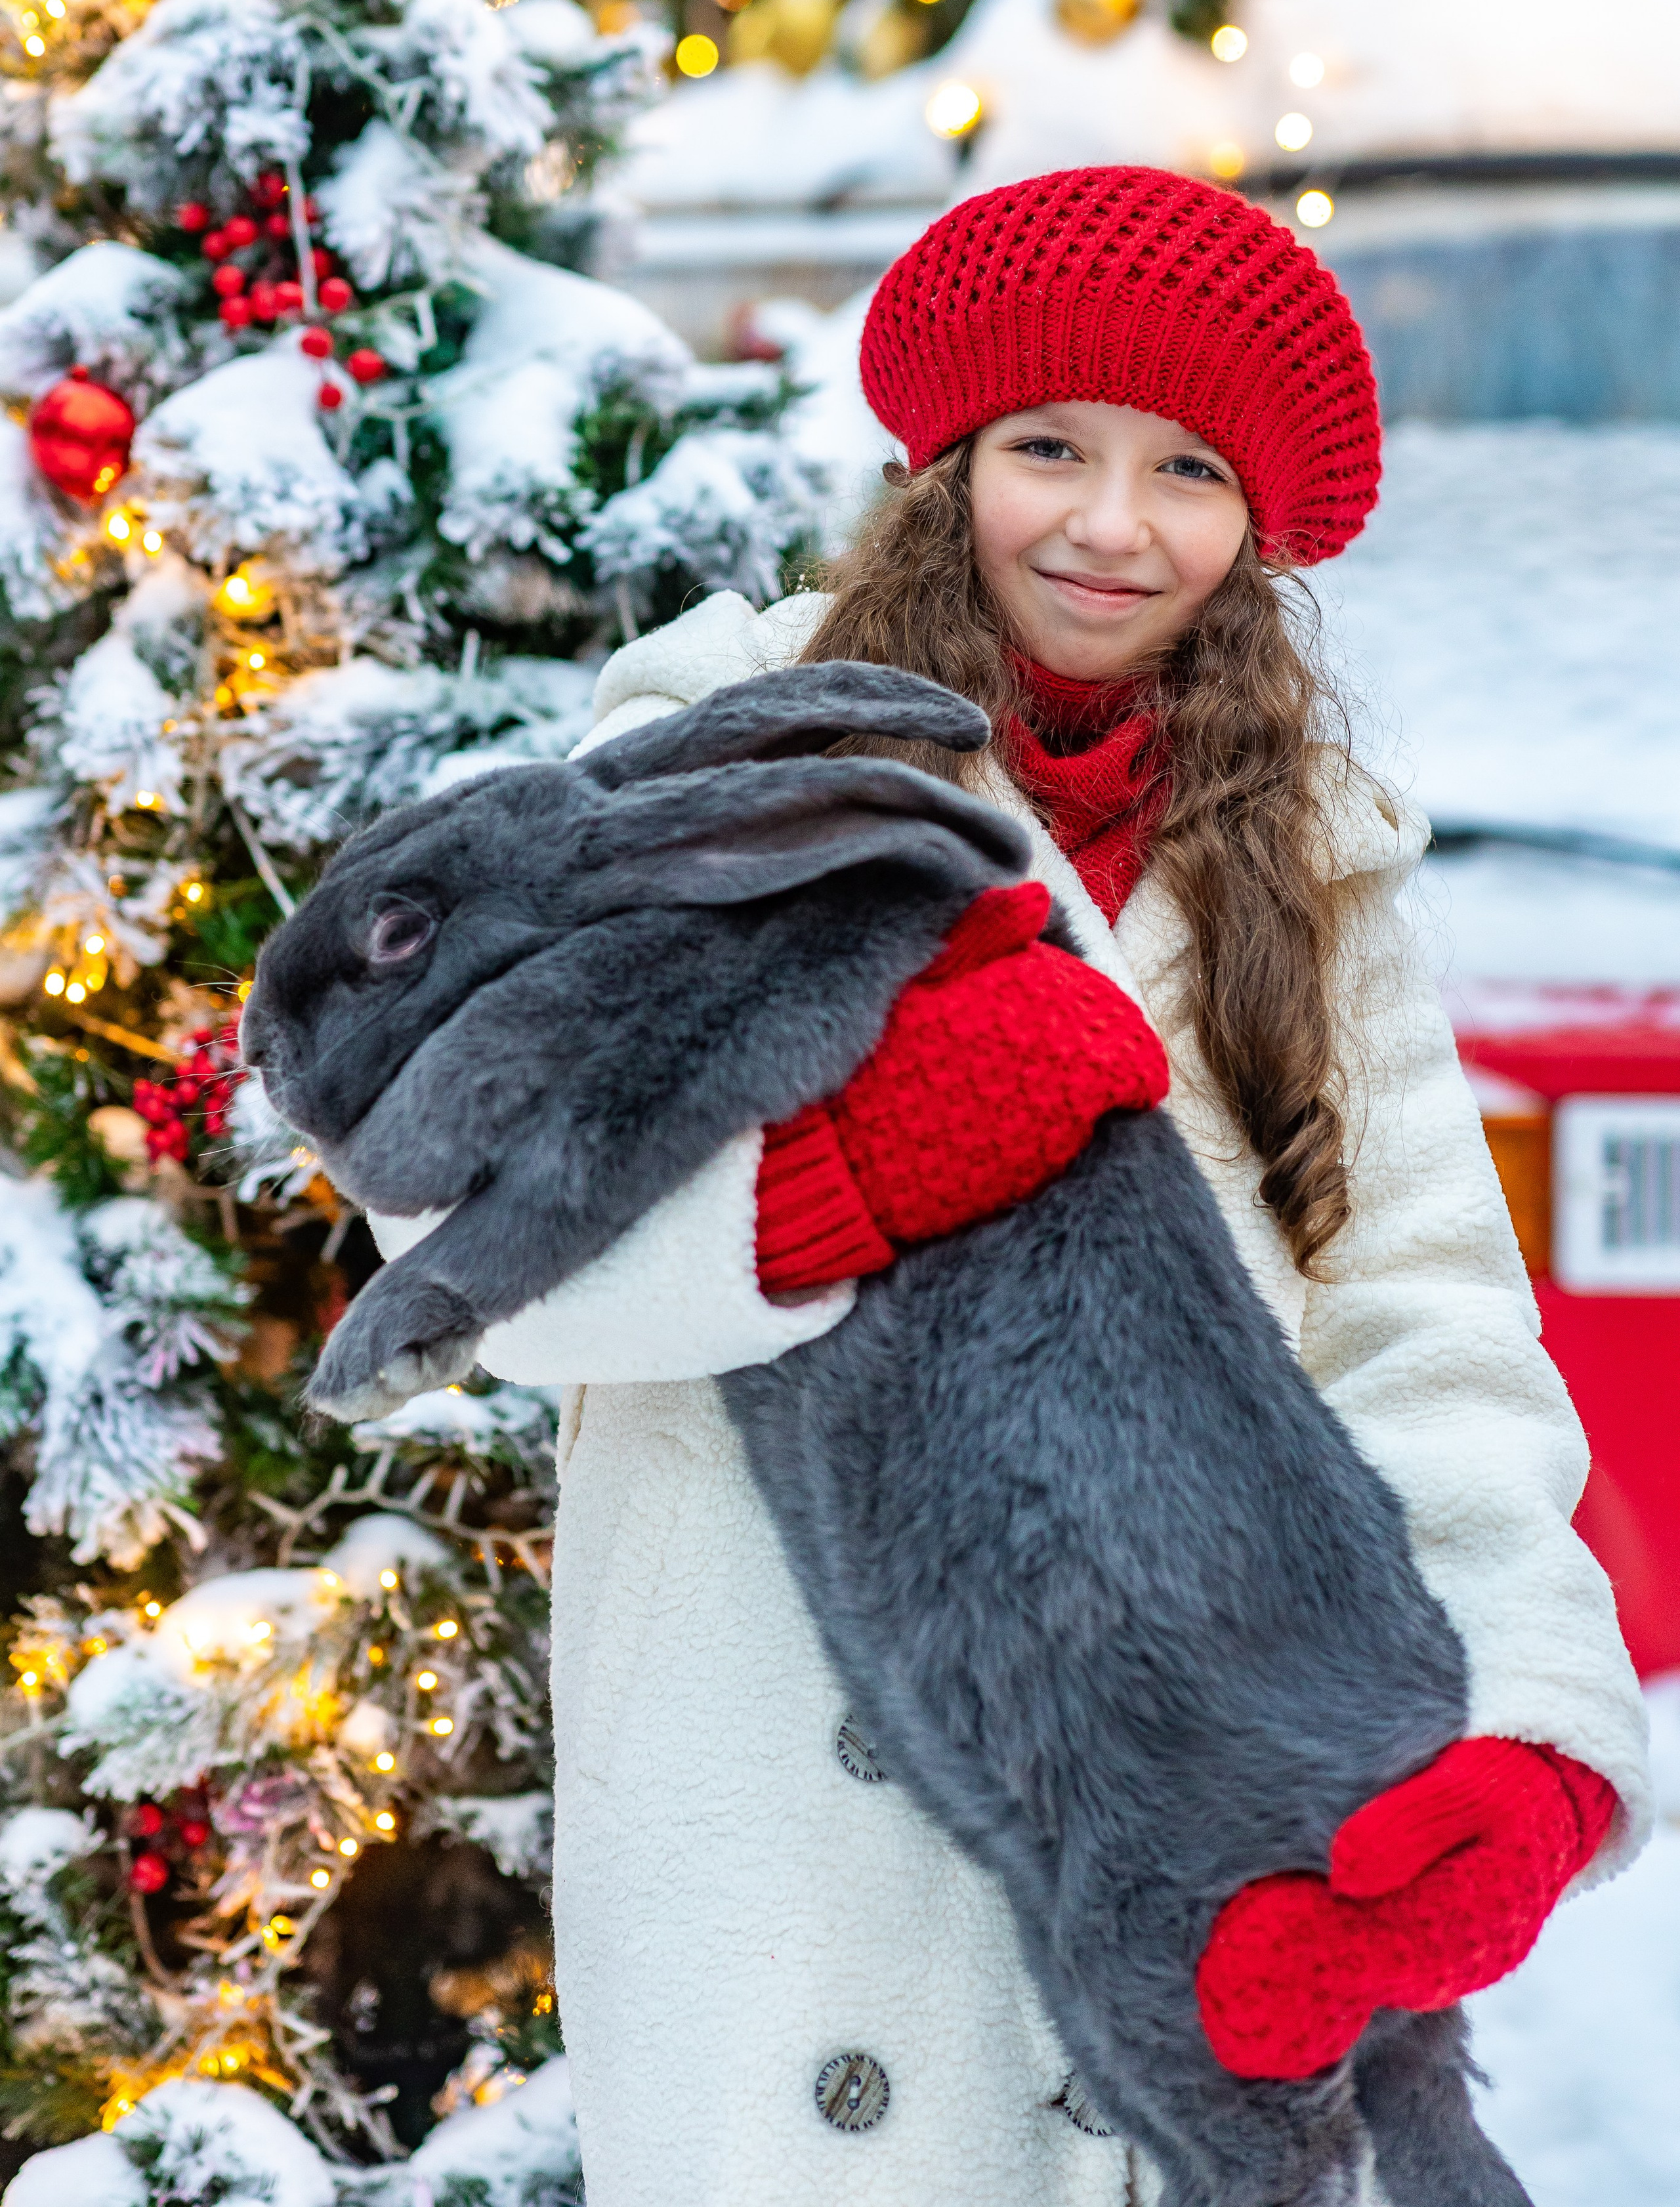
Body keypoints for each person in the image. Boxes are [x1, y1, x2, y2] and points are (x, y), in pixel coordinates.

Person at [469, 169, 1652, 2204]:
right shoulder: (717, 766)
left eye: (1188, 469)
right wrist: (824, 1199)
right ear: (950, 469)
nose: (1113, 526)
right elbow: (478, 1241)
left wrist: (1528, 1728)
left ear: (1257, 526)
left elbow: (1421, 1309)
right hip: (797, 1799)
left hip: (1202, 1797)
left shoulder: (1306, 858)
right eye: (1051, 450)